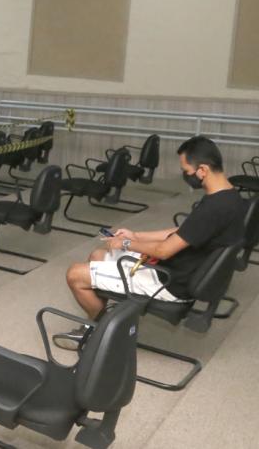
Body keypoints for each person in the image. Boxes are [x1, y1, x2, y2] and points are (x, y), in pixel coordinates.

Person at [54, 136, 246, 350]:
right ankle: (107, 320)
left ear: (202, 170)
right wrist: (136, 236)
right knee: (97, 256)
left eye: (186, 171)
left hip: (169, 282)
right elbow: (184, 231)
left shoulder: (214, 208)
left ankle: (100, 333)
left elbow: (163, 251)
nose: (185, 175)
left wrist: (126, 244)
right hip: (178, 269)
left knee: (75, 274)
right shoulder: (230, 197)